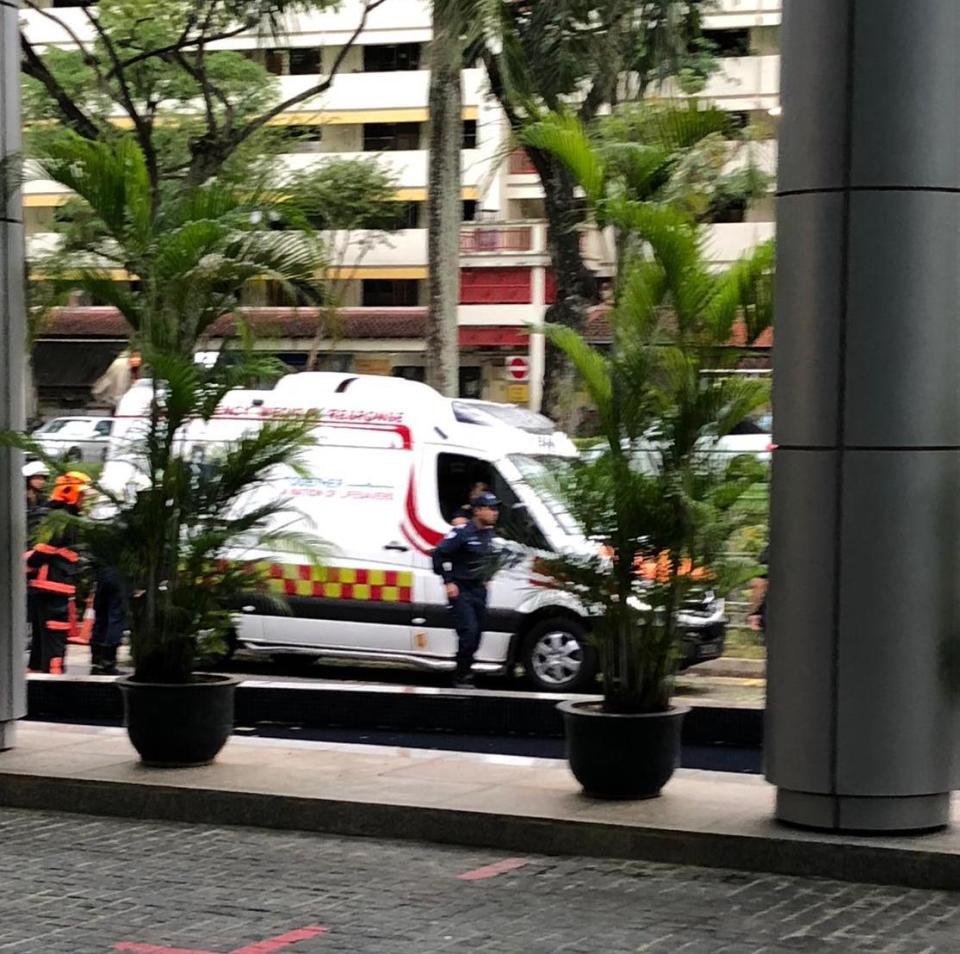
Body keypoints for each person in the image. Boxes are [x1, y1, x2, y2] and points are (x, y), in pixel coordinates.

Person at [432, 491, 501, 688]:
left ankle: (465, 666)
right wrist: (448, 581)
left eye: (496, 509)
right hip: (461, 590)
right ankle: (462, 675)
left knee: (478, 634)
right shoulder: (462, 533)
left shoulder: (490, 534)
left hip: (479, 590)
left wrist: (489, 576)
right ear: (478, 510)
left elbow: (492, 558)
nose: (495, 513)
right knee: (468, 632)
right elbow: (439, 555)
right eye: (491, 508)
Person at [26, 471, 90, 674]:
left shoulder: (50, 514)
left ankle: (39, 673)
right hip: (54, 585)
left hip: (45, 586)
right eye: (82, 495)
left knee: (41, 636)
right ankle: (53, 678)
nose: (83, 500)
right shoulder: (61, 519)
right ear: (70, 492)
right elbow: (43, 548)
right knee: (54, 635)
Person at [23, 460, 49, 541]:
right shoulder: (19, 496)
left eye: (43, 479)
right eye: (37, 478)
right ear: (28, 479)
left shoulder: (41, 496)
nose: (41, 482)